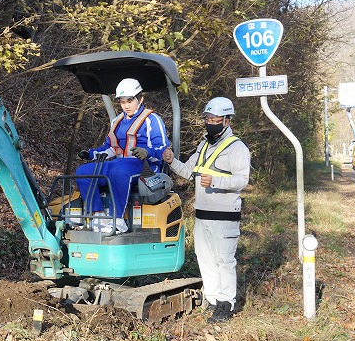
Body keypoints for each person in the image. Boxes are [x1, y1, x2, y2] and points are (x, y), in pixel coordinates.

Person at [162, 96, 250, 323]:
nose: (210, 122)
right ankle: (211, 300)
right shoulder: (203, 145)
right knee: (205, 259)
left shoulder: (237, 147)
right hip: (202, 214)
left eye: (215, 119)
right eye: (208, 118)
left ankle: (226, 304)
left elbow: (242, 180)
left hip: (225, 216)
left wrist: (216, 182)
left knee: (224, 260)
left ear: (227, 121)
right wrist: (172, 161)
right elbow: (187, 171)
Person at [76, 78, 170, 234]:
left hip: (146, 166)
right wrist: (92, 153)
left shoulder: (152, 120)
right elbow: (110, 147)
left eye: (130, 101)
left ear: (140, 98)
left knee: (120, 169)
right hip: (119, 163)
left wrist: (147, 152)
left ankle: (117, 220)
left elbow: (163, 148)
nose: (126, 106)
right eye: (122, 101)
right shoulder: (117, 121)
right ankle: (98, 217)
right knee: (82, 172)